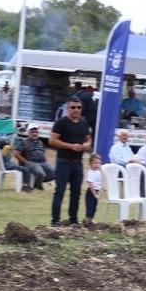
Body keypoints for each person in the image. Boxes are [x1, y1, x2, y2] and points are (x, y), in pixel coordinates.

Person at [49, 97, 91, 226]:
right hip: (64, 161)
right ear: (68, 108)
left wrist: (85, 145)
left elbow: (89, 140)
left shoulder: (84, 123)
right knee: (60, 191)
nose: (76, 110)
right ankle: (55, 221)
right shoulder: (61, 123)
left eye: (78, 107)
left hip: (78, 163)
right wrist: (70, 146)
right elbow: (52, 140)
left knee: (76, 193)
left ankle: (73, 220)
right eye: (73, 107)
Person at [14, 123, 55, 190]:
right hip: (31, 162)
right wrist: (26, 162)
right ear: (28, 133)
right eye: (32, 132)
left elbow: (42, 152)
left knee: (54, 174)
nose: (34, 134)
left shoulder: (40, 142)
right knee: (41, 173)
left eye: (36, 132)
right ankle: (37, 185)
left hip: (43, 162)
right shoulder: (23, 142)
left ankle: (36, 183)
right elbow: (16, 154)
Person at [85, 154, 102, 221]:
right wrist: (95, 194)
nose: (97, 165)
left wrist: (100, 190)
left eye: (98, 163)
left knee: (94, 208)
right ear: (90, 163)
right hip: (91, 192)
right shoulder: (90, 172)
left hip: (96, 191)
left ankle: (91, 220)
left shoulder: (98, 172)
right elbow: (91, 184)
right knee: (90, 208)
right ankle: (87, 220)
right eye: (95, 163)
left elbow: (99, 183)